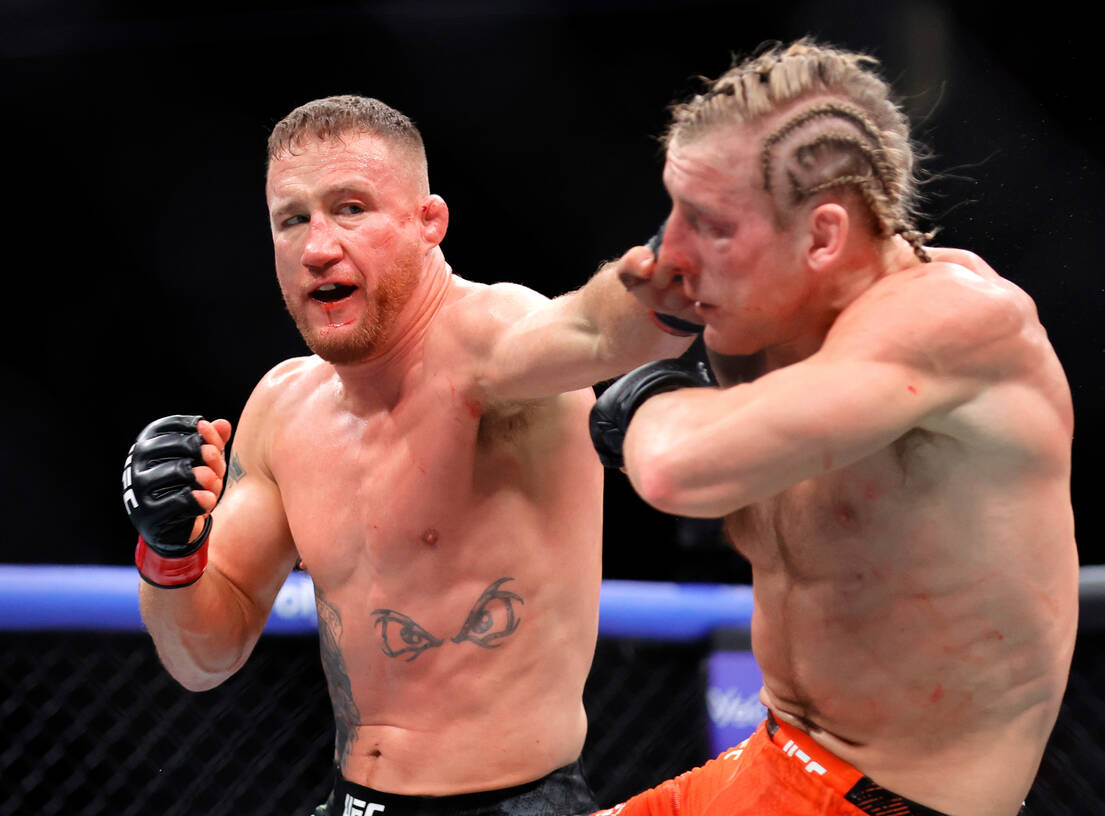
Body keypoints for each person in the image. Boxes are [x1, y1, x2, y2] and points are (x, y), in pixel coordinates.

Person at [120, 95, 693, 816]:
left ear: (430, 224)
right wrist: (170, 551)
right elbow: (202, 658)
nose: (318, 246)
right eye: (292, 219)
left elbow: (596, 329)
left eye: (350, 209)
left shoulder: (487, 341)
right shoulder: (280, 408)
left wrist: (683, 262)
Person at [589, 39, 1077, 816]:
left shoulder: (954, 321)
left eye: (711, 224)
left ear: (821, 237)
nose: (670, 251)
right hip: (774, 762)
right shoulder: (773, 330)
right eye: (673, 210)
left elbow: (677, 469)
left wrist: (641, 387)